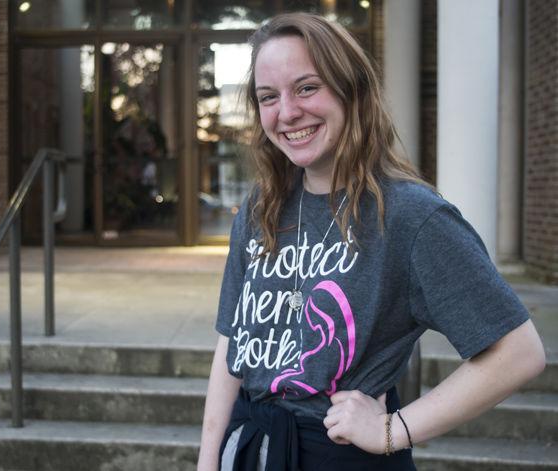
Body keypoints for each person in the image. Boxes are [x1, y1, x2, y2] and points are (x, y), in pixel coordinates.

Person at [197, 12, 546, 471]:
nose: (286, 112)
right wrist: (208, 460)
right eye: (268, 97)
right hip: (250, 451)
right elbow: (232, 346)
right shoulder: (265, 204)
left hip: (337, 458)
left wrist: (392, 430)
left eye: (306, 87)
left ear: (351, 90)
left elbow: (518, 353)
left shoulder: (411, 215)